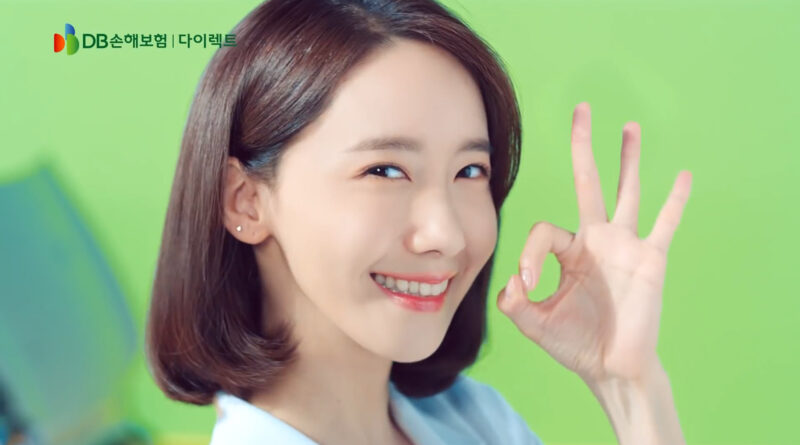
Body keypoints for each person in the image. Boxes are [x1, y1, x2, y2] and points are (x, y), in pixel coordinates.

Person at [145, 0, 692, 444]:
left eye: (470, 170)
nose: (446, 235)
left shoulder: (475, 420)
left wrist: (631, 386)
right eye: (385, 170)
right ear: (244, 201)